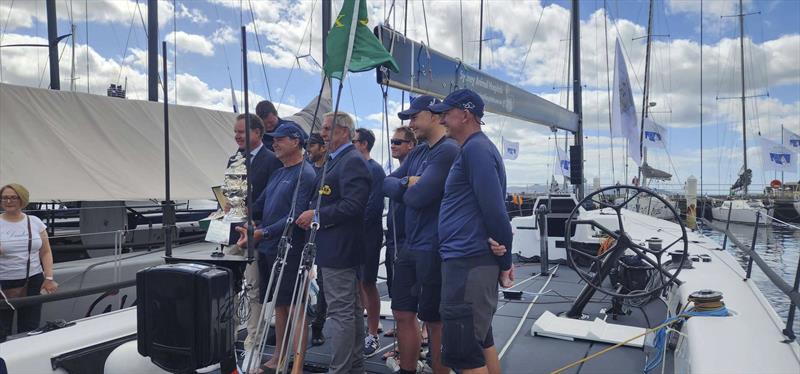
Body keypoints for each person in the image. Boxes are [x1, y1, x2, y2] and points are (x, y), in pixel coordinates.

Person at [431, 89, 514, 374]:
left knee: (465, 353)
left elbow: (496, 212)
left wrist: (506, 261)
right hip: (469, 262)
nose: (441, 119)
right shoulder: (474, 149)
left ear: (465, 115)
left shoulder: (476, 150)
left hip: (467, 263)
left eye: (445, 113)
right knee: (480, 342)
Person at [383, 96, 459, 374]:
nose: (411, 123)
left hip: (433, 246)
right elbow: (386, 183)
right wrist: (406, 183)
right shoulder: (416, 153)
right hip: (409, 244)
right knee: (402, 312)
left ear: (433, 115)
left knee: (434, 319)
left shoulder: (447, 151)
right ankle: (408, 369)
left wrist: (406, 188)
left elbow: (421, 196)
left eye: (415, 117)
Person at [236, 122, 316, 373]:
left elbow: (295, 215)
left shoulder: (306, 173)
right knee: (279, 306)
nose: (274, 143)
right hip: (271, 248)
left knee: (295, 306)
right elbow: (258, 205)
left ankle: (298, 366)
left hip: (292, 248)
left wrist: (263, 232)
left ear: (295, 141)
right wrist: (247, 219)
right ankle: (279, 357)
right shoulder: (278, 172)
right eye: (273, 139)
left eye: (280, 139)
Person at [296, 112, 370, 373]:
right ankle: (354, 366)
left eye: (328, 129)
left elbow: (354, 205)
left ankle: (340, 369)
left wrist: (316, 215)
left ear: (343, 132)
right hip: (334, 247)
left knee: (340, 313)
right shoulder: (336, 161)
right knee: (350, 310)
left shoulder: (351, 162)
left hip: (341, 248)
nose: (323, 134)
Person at [229, 113, 283, 352]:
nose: (237, 136)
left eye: (242, 132)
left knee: (253, 291)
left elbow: (272, 200)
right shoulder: (233, 159)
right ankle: (226, 339)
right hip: (232, 233)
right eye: (236, 132)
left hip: (255, 235)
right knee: (227, 289)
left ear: (258, 133)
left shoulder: (272, 161)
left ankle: (253, 343)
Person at [0, 183, 58, 342]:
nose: (9, 201)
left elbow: (45, 252)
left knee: (30, 328)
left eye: (13, 197)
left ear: (22, 199)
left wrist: (49, 278)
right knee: (1, 329)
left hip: (33, 280)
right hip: (3, 283)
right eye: (5, 197)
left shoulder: (35, 222)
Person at [352, 128, 386, 357]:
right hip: (351, 237)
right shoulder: (353, 168)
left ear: (363, 144)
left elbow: (373, 208)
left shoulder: (375, 171)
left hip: (368, 236)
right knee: (354, 285)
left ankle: (372, 334)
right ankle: (356, 333)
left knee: (367, 283)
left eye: (353, 141)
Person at [384, 126, 416, 303]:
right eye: (391, 142)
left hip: (408, 240)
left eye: (397, 142)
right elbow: (385, 184)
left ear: (411, 144)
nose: (393, 145)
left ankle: (424, 329)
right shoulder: (398, 174)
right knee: (396, 293)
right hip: (393, 239)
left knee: (414, 293)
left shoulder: (417, 168)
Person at [306, 132, 329, 346]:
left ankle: (318, 327)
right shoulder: (307, 170)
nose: (308, 149)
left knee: (322, 282)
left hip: (322, 234)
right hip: (303, 233)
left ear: (323, 147)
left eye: (312, 145)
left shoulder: (329, 170)